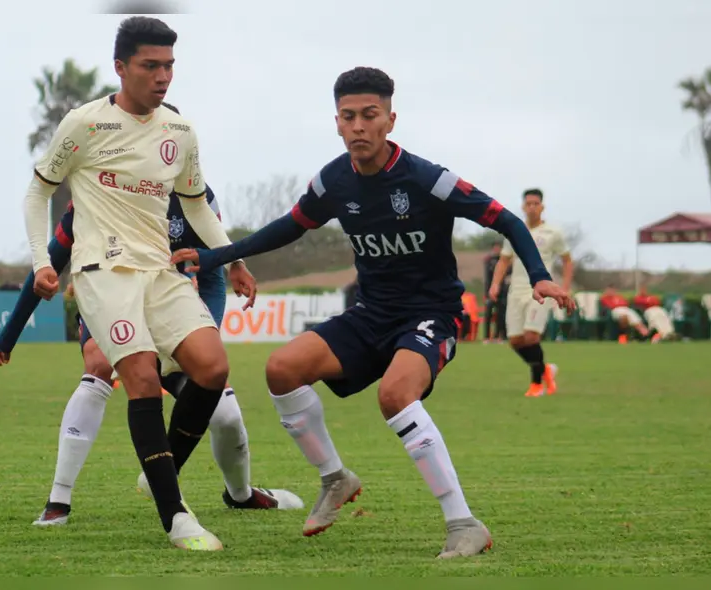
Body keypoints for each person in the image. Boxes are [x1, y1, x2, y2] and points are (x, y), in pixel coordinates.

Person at [171, 66, 575, 558]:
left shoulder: (428, 178)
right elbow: (287, 228)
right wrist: (216, 256)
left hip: (431, 314)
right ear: (337, 123)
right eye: (348, 117)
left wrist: (538, 275)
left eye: (370, 115)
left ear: (390, 120)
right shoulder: (334, 181)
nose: (359, 126)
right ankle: (334, 478)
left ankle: (464, 523)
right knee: (281, 369)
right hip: (371, 314)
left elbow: (506, 219)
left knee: (395, 394)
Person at [20, 16, 256, 551]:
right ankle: (176, 517)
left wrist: (233, 258)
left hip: (160, 271)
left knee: (213, 368)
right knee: (142, 376)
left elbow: (195, 202)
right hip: (102, 273)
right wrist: (42, 263)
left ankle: (158, 474)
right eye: (151, 65)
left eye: (169, 65)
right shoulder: (84, 124)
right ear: (121, 68)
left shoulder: (180, 131)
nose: (163, 76)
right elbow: (37, 194)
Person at [0, 182, 302, 528]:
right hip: (112, 304)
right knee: (98, 362)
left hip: (169, 315)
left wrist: (200, 335)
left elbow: (211, 279)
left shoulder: (197, 195)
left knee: (225, 414)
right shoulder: (103, 184)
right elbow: (52, 257)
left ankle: (239, 493)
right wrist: (8, 335)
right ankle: (58, 500)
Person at [488, 189, 573, 397]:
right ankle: (545, 369)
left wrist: (564, 287)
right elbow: (504, 260)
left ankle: (536, 384)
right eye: (529, 204)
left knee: (531, 337)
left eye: (536, 203)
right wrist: (495, 284)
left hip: (540, 291)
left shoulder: (553, 233)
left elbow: (567, 260)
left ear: (542, 207)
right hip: (516, 291)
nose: (532, 207)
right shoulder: (516, 231)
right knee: (515, 341)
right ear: (523, 207)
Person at [482, 242, 509, 340]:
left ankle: (499, 336)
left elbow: (509, 274)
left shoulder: (504, 261)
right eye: (495, 248)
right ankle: (486, 337)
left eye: (499, 248)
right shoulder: (489, 260)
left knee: (501, 315)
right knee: (488, 314)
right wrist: (486, 293)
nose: (497, 249)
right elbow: (487, 278)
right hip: (490, 292)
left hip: (502, 292)